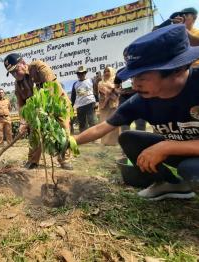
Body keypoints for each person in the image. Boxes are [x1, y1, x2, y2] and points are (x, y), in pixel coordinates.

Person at [74, 24, 199, 201]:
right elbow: (102, 127)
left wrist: (168, 146)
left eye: (141, 77)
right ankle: (170, 184)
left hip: (191, 156)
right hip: (181, 149)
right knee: (129, 138)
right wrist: (71, 141)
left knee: (192, 169)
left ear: (177, 69)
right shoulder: (143, 99)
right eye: (133, 77)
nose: (134, 85)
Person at [4, 53, 73, 170]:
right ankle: (33, 161)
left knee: (63, 129)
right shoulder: (18, 84)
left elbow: (51, 89)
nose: (14, 75)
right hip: (38, 111)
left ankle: (64, 159)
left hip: (58, 103)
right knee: (34, 133)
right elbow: (21, 105)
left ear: (23, 64)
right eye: (11, 73)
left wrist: (45, 112)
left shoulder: (39, 67)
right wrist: (23, 122)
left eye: (15, 70)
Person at [70, 66, 96, 133]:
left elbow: (96, 91)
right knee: (82, 123)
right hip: (80, 106)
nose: (80, 75)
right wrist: (71, 106)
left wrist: (97, 101)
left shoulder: (91, 80)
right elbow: (73, 96)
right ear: (77, 75)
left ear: (85, 73)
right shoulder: (75, 84)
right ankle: (84, 138)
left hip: (90, 103)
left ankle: (95, 138)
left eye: (82, 73)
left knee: (92, 121)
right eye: (79, 73)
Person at [98, 66, 120, 145]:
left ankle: (115, 142)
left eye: (108, 71)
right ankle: (105, 142)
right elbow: (107, 92)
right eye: (105, 71)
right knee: (104, 123)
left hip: (114, 105)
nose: (106, 73)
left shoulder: (116, 81)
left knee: (114, 123)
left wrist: (114, 90)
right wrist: (113, 89)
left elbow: (119, 91)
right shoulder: (100, 82)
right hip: (104, 106)